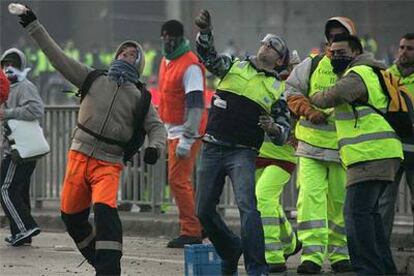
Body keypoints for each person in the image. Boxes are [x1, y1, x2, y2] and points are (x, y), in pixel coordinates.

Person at [13, 7, 166, 275]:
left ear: (139, 64)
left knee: (106, 214)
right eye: (124, 52)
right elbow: (57, 57)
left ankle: (109, 269)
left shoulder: (141, 97)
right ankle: (100, 260)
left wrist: (155, 148)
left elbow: (157, 128)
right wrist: (33, 26)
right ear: (116, 55)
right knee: (71, 217)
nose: (127, 55)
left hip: (108, 163)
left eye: (133, 54)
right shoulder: (93, 77)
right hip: (78, 156)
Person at [194, 9, 291, 276]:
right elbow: (208, 57)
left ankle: (257, 269)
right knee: (202, 210)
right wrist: (204, 32)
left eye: (273, 46)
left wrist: (273, 128)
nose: (266, 47)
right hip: (212, 146)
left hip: (243, 153)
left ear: (280, 59)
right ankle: (230, 248)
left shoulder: (277, 89)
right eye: (265, 42)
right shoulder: (234, 65)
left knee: (248, 209)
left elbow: (285, 132)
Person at [310, 34, 402, 275]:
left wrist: (310, 93)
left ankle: (367, 270)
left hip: (370, 155)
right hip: (381, 154)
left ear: (356, 52)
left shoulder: (358, 73)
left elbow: (328, 97)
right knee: (369, 218)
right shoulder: (375, 72)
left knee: (354, 217)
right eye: (333, 53)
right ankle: (383, 269)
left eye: (342, 53)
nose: (336, 57)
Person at [286, 17, 355, 274]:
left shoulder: (359, 68)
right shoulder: (312, 64)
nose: (334, 40)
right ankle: (312, 257)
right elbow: (291, 91)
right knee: (310, 201)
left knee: (339, 203)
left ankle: (340, 255)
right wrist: (308, 111)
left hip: (343, 149)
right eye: (332, 35)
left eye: (340, 35)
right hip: (311, 148)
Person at [158, 19, 207, 248]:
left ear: (179, 38)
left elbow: (196, 105)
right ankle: (199, 223)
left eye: (171, 37)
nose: (167, 41)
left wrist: (187, 138)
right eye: (165, 36)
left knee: (178, 180)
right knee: (182, 181)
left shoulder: (190, 65)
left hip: (187, 130)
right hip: (172, 130)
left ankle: (191, 230)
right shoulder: (166, 61)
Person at [255, 52, 302, 273]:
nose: (290, 70)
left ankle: (273, 256)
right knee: (267, 202)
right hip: (261, 151)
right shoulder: (267, 83)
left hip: (284, 155)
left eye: (294, 67)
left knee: (263, 196)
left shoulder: (301, 91)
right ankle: (291, 242)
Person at [0, 47, 44, 246]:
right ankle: (21, 233)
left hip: (19, 149)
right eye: (5, 65)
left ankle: (26, 227)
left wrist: (9, 113)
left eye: (13, 64)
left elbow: (36, 109)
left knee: (4, 189)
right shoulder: (5, 88)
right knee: (18, 190)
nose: (9, 68)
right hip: (14, 147)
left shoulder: (24, 86)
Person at [379, 33, 414, 242]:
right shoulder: (386, 76)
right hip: (391, 149)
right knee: (384, 202)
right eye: (402, 47)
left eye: (409, 48)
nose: (404, 52)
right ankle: (381, 250)